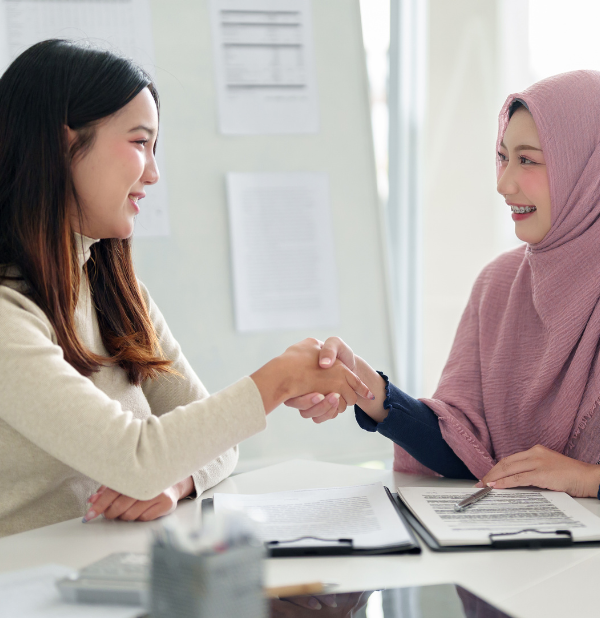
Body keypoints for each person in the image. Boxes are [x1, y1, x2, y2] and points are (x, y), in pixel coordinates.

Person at [0, 39, 374, 538]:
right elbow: (136, 456)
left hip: (115, 576)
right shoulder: (8, 313)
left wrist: (176, 483)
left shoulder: (113, 288)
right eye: (139, 143)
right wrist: (281, 379)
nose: (153, 174)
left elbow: (213, 442)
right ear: (63, 143)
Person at [289, 70, 600, 499]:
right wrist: (369, 389)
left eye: (527, 160)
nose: (503, 183)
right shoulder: (499, 285)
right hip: (514, 556)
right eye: (502, 157)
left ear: (587, 169)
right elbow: (466, 454)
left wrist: (587, 478)